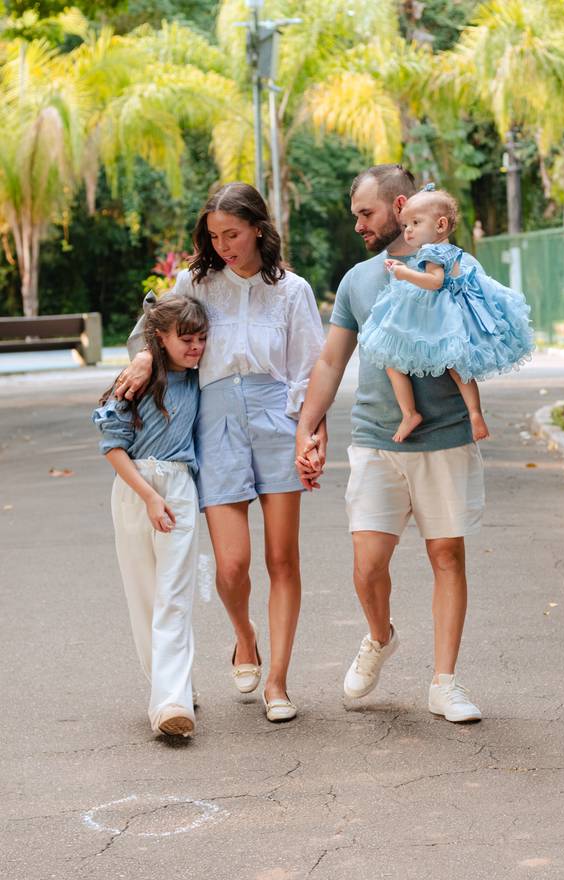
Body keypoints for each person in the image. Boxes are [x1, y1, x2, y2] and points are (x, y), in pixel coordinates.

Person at [114, 182, 325, 723]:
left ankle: (277, 681)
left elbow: (310, 369)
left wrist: (310, 433)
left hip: (277, 419)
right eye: (214, 235)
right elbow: (148, 334)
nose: (224, 244)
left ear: (258, 226)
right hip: (215, 421)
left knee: (283, 560)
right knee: (231, 566)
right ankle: (245, 637)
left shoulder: (294, 291)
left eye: (232, 233)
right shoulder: (196, 282)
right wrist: (141, 360)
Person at [296, 164, 485, 723]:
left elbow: (480, 336)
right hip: (377, 440)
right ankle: (380, 637)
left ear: (400, 207)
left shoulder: (452, 268)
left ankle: (444, 683)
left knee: (446, 555)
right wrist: (308, 426)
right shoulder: (358, 280)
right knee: (367, 565)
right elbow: (332, 360)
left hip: (446, 438)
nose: (358, 224)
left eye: (365, 212)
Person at [92, 295, 208, 738]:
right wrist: (148, 497)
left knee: (174, 595)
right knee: (143, 597)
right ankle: (169, 684)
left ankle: (171, 704)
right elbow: (112, 447)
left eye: (201, 339)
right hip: (134, 490)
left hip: (178, 486)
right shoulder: (135, 382)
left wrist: (167, 498)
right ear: (159, 338)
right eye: (186, 339)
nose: (195, 347)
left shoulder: (201, 381)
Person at [358, 184, 534, 442]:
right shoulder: (451, 249)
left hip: (432, 311)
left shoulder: (431, 251)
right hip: (450, 313)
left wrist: (403, 272)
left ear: (440, 225)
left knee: (392, 359)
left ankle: (409, 413)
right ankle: (475, 413)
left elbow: (435, 281)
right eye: (406, 225)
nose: (408, 230)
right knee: (457, 367)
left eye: (415, 223)